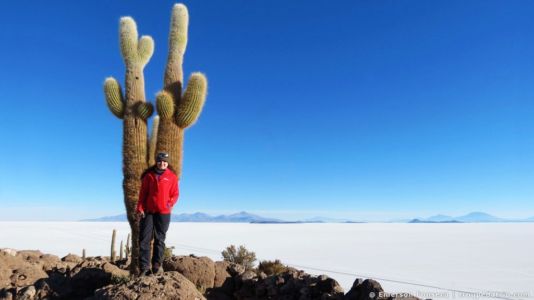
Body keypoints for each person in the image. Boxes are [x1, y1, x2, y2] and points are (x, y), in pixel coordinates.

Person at [136, 152, 179, 275]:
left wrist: (169, 204)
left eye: (164, 161)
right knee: (144, 239)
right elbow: (143, 194)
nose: (162, 163)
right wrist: (140, 207)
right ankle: (144, 268)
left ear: (167, 162)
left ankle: (156, 266)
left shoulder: (172, 177)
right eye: (160, 161)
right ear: (156, 161)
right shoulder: (149, 176)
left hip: (164, 213)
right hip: (148, 211)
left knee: (160, 239)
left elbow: (175, 194)